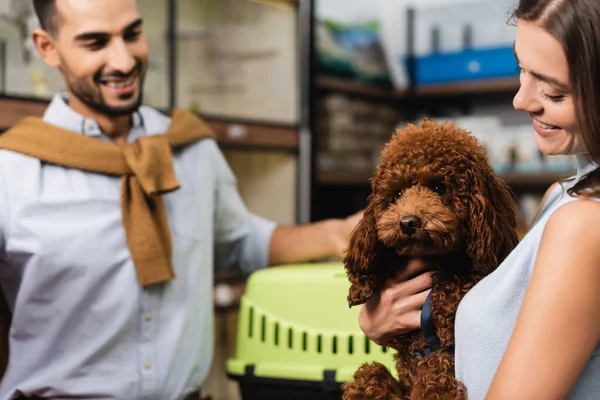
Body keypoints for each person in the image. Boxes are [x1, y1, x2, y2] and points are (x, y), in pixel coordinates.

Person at [0, 0, 362, 399]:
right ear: (46, 47)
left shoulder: (189, 148)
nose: (123, 61)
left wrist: (341, 233)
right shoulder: (12, 173)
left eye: (132, 34)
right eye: (95, 42)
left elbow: (243, 243)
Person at [359, 0, 600, 398]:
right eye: (521, 68)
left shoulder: (584, 225)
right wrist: (384, 319)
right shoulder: (561, 197)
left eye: (554, 92)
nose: (521, 101)